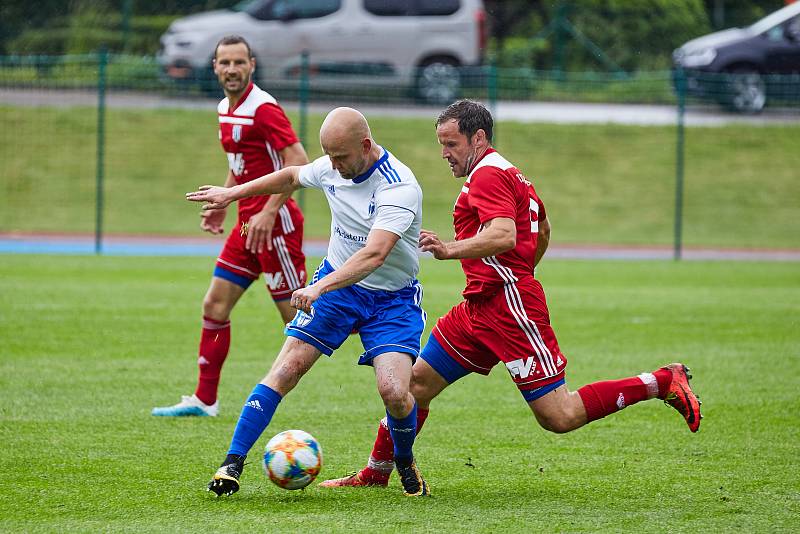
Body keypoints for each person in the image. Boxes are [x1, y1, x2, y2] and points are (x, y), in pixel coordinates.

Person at [319, 100, 703, 489]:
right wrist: (515, 270)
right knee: (414, 386)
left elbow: (505, 234)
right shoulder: (508, 172)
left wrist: (459, 253)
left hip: (509, 308)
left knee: (559, 415)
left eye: (451, 144)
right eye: (441, 144)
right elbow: (545, 228)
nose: (444, 154)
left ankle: (662, 381)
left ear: (478, 138)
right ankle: (376, 473)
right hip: (478, 307)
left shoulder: (487, 175)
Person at [186, 107, 431, 498]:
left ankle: (403, 461)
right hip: (339, 290)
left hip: (391, 300)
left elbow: (374, 255)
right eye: (328, 156)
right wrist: (232, 193)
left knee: (394, 392)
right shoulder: (333, 165)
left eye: (340, 157)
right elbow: (291, 175)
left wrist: (318, 288)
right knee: (285, 370)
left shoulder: (399, 187)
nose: (332, 166)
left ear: (365, 146)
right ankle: (231, 464)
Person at [152, 36, 309, 418]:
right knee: (214, 304)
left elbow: (299, 162)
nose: (232, 69)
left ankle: (373, 328)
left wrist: (270, 211)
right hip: (245, 227)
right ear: (215, 67)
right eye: (225, 63)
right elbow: (241, 164)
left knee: (301, 320)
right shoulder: (225, 107)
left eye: (239, 62)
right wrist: (227, 201)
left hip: (275, 228)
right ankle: (205, 400)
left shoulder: (264, 109)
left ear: (252, 65)